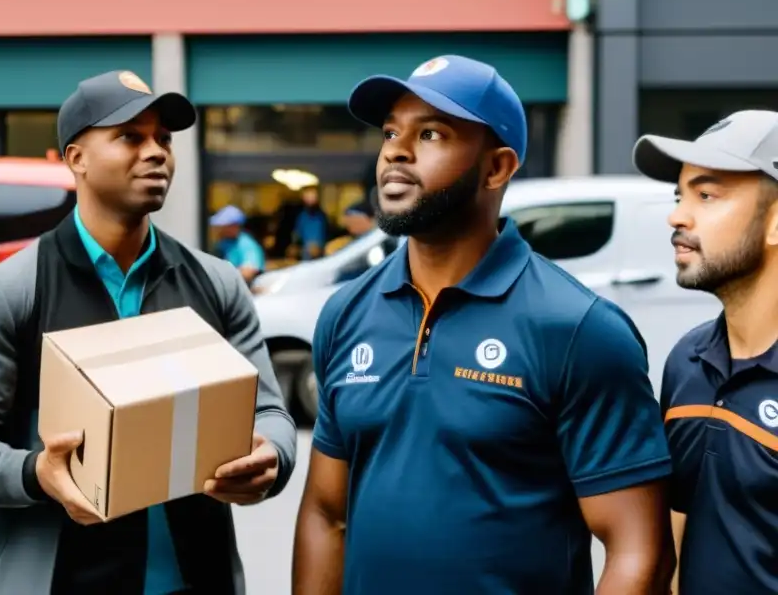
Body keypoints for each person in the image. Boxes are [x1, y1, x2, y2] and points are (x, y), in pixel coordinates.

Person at [293, 54, 675, 595]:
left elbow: (640, 552)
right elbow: (326, 514)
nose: (395, 152)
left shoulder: (579, 329)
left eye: (430, 133)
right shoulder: (345, 312)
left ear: (496, 168)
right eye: (389, 132)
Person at [0, 70, 297, 595]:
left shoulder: (215, 283)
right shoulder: (13, 289)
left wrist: (272, 457)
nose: (156, 153)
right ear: (76, 157)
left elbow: (270, 412)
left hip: (197, 580)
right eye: (130, 136)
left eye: (164, 140)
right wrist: (36, 472)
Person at [632, 110, 778, 595]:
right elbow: (680, 519)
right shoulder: (687, 359)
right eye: (680, 195)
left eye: (707, 195)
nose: (677, 215)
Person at [209, 204, 266, 284]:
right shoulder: (224, 242)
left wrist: (220, 279)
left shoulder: (247, 245)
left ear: (234, 226)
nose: (220, 230)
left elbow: (248, 272)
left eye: (223, 226)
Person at [293, 186, 329, 260]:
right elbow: (297, 233)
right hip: (305, 251)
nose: (310, 199)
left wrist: (319, 247)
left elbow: (326, 234)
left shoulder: (322, 216)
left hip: (320, 251)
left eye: (312, 196)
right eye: (307, 196)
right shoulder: (301, 216)